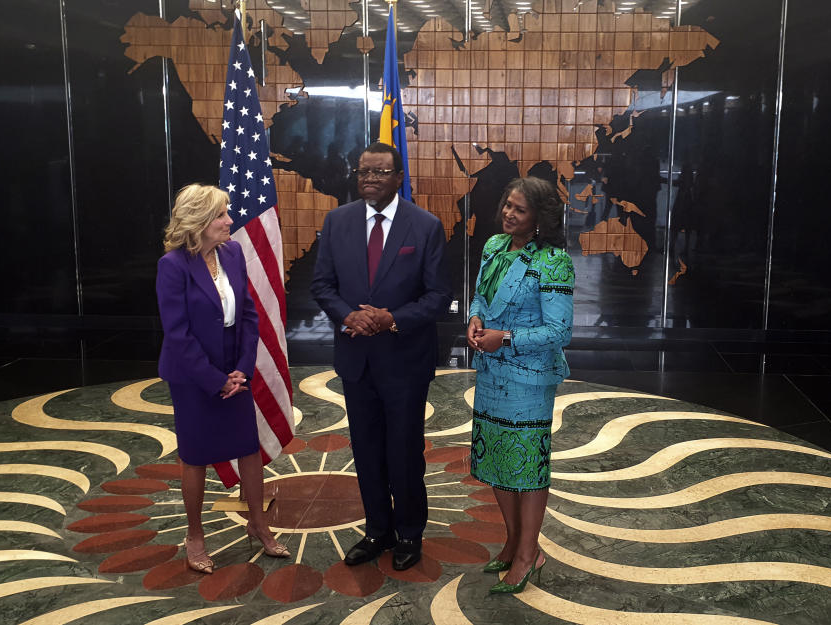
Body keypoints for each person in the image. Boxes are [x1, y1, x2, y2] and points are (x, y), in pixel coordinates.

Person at [311, 142, 452, 571]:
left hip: (404, 361)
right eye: (363, 172)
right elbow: (322, 286)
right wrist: (349, 316)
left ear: (398, 177)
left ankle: (409, 532)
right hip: (356, 360)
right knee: (367, 449)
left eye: (379, 172)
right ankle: (377, 530)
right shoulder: (337, 222)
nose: (369, 179)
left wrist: (391, 318)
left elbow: (439, 296)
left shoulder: (425, 227)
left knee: (404, 450)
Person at [156, 184, 290, 574]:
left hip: (235, 372)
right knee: (195, 457)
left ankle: (258, 524)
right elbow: (177, 334)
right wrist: (216, 380)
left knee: (248, 449)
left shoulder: (232, 253)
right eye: (221, 215)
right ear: (198, 221)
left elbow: (248, 315)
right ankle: (194, 536)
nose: (230, 221)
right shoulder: (173, 266)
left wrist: (242, 370)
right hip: (194, 378)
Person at [466, 177, 574, 593]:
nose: (509, 214)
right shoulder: (494, 247)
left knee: (527, 467)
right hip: (492, 374)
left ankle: (529, 553)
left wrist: (505, 338)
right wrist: (476, 320)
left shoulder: (553, 262)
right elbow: (480, 297)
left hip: (529, 379)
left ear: (539, 219)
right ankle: (514, 542)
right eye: (507, 205)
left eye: (520, 210)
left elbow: (559, 330)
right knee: (496, 458)